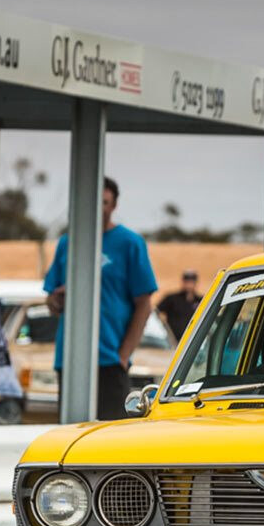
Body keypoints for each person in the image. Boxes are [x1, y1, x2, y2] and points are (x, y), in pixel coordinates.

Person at [43, 177, 157, 420]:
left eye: (104, 202)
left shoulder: (130, 243)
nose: (99, 208)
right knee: (70, 431)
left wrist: (123, 356)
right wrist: (58, 299)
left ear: (113, 205)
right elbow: (51, 301)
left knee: (110, 434)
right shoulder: (68, 242)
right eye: (94, 202)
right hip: (70, 357)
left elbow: (144, 305)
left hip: (109, 358)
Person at [157, 269, 202, 342]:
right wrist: (163, 327)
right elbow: (156, 312)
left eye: (191, 282)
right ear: (183, 282)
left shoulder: (200, 301)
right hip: (172, 340)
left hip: (193, 341)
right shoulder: (172, 299)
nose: (189, 285)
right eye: (187, 282)